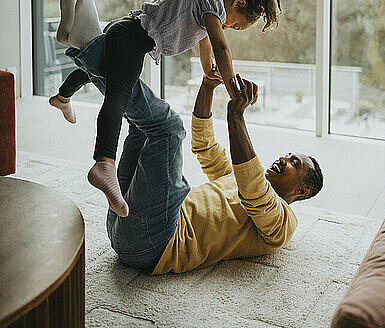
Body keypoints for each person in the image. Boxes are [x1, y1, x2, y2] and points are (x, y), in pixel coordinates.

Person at [59, 30, 323, 274]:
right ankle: (91, 54)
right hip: (123, 221)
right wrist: (208, 86)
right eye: (288, 155)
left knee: (168, 128)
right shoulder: (235, 179)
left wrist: (236, 117)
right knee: (141, 125)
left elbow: (254, 191)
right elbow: (204, 145)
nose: (283, 159)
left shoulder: (283, 223)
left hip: (156, 243)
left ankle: (94, 55)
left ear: (302, 190)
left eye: (293, 163)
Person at [49, 0, 282, 217]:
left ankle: (63, 93)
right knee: (118, 96)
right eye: (235, 25)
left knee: (99, 73)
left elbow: (205, 44)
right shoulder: (212, 1)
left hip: (126, 31)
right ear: (239, 3)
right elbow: (220, 46)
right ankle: (104, 162)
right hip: (132, 39)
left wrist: (207, 69)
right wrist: (233, 89)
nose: (228, 27)